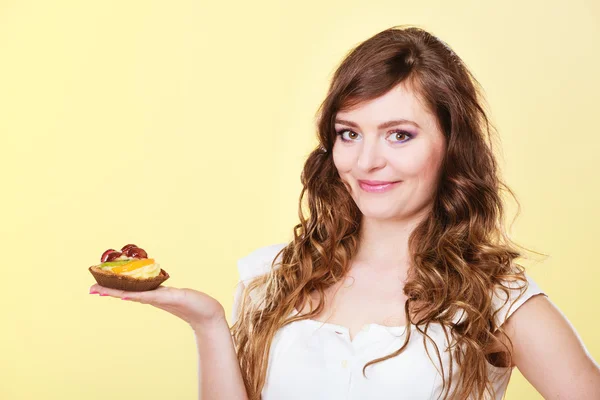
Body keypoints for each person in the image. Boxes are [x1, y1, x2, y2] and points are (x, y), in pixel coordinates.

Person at [89, 25, 600, 399]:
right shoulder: (273, 277)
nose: (367, 161)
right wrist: (208, 325)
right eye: (349, 133)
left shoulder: (493, 297)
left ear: (451, 146)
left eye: (400, 134)